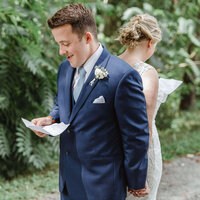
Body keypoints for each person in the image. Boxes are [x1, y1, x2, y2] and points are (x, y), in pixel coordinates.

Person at [31, 4, 150, 200]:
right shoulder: (64, 69)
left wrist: (136, 180)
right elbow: (62, 103)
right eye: (58, 44)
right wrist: (51, 118)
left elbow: (135, 136)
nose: (61, 51)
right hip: (68, 182)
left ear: (87, 38)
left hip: (103, 185)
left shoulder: (123, 76)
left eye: (66, 43)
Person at [118, 14, 181, 200]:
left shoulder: (108, 65)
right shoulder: (147, 73)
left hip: (111, 150)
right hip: (141, 152)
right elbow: (142, 124)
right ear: (150, 42)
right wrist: (139, 172)